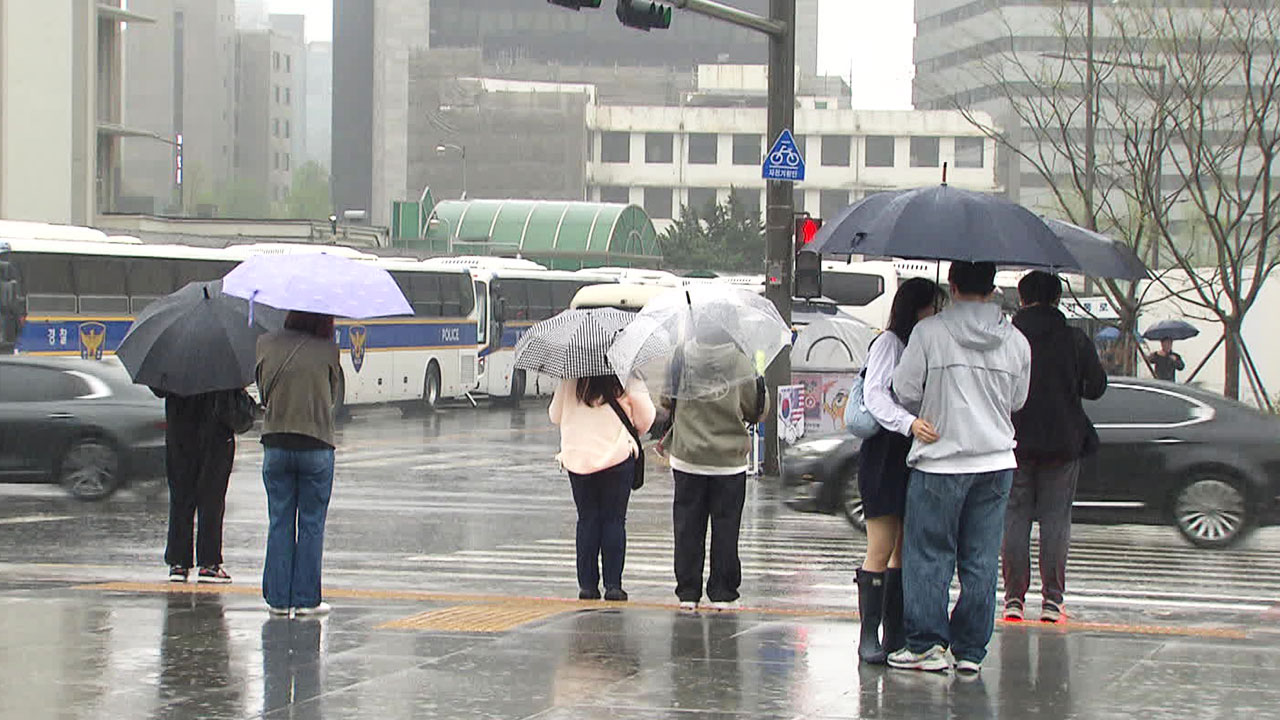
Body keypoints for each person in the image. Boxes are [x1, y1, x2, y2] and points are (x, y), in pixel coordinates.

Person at [887, 261, 1032, 675]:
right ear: (991, 288)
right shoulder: (1016, 341)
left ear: (951, 285)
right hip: (996, 462)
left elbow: (905, 390)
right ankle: (970, 650)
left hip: (940, 461)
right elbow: (1017, 400)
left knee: (930, 554)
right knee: (981, 558)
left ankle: (926, 645)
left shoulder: (929, 333)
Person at [1003, 271, 1108, 624]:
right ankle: (1052, 601)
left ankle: (1013, 599)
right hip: (1063, 441)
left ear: (1021, 299)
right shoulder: (1074, 339)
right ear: (1058, 299)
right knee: (1055, 520)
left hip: (1014, 440)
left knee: (1014, 517)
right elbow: (1096, 388)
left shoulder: (1008, 337)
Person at [854, 278, 943, 664]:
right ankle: (868, 636)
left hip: (915, 452)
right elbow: (874, 395)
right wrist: (907, 423)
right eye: (933, 307)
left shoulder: (928, 344)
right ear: (916, 309)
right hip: (886, 453)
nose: (938, 315)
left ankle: (896, 633)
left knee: (904, 550)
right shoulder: (889, 343)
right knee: (881, 546)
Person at [665, 328, 769, 611]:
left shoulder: (680, 357)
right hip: (728, 461)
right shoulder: (741, 361)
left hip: (687, 457)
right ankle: (723, 591)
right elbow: (756, 409)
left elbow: (666, 399)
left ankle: (688, 592)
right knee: (726, 527)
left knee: (687, 527)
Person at [255, 311, 341, 617]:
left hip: (276, 443)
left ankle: (278, 600)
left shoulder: (266, 344)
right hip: (316, 443)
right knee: (311, 524)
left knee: (279, 521)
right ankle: (306, 600)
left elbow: (263, 393)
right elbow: (333, 396)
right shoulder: (328, 349)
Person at [549, 375, 655, 602]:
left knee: (587, 520)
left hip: (578, 459)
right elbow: (647, 417)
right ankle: (613, 585)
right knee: (614, 521)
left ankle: (587, 585)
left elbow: (555, 415)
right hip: (616, 457)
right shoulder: (626, 373)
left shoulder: (571, 376)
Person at [157, 389, 239, 583]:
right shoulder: (221, 363)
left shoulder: (173, 361)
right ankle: (209, 563)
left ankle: (178, 563)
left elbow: (159, 389)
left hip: (180, 432)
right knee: (212, 499)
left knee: (180, 498)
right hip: (216, 434)